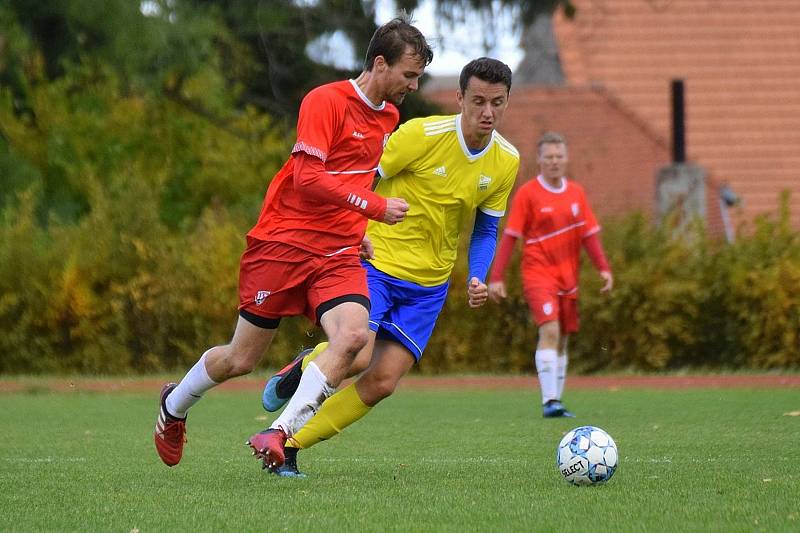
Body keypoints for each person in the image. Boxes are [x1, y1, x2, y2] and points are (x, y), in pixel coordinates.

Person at [153, 17, 433, 469]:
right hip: (283, 245)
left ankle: (279, 433)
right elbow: (307, 178)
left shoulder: (389, 117)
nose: (413, 84)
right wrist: (375, 210)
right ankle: (174, 405)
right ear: (380, 63)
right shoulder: (326, 101)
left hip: (337, 253)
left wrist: (357, 232)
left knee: (356, 339)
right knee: (240, 359)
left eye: (417, 76)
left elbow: (352, 176)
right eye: (408, 74)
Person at [260, 57, 520, 476]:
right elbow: (363, 180)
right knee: (358, 357)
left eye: (497, 103)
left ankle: (290, 446)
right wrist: (351, 232)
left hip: (429, 286)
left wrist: (477, 274)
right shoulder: (421, 134)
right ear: (459, 99)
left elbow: (487, 229)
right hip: (377, 263)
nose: (487, 113)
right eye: (478, 101)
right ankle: (303, 375)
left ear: (507, 102)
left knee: (382, 382)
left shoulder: (506, 160)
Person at [488, 132, 613, 418]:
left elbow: (589, 235)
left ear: (566, 159)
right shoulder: (528, 194)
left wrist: (604, 268)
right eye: (549, 157)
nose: (554, 161)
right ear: (539, 160)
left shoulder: (576, 193)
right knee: (551, 330)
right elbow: (510, 237)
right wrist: (497, 277)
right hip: (538, 272)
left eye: (559, 156)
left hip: (569, 276)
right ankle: (550, 402)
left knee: (564, 337)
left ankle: (556, 398)